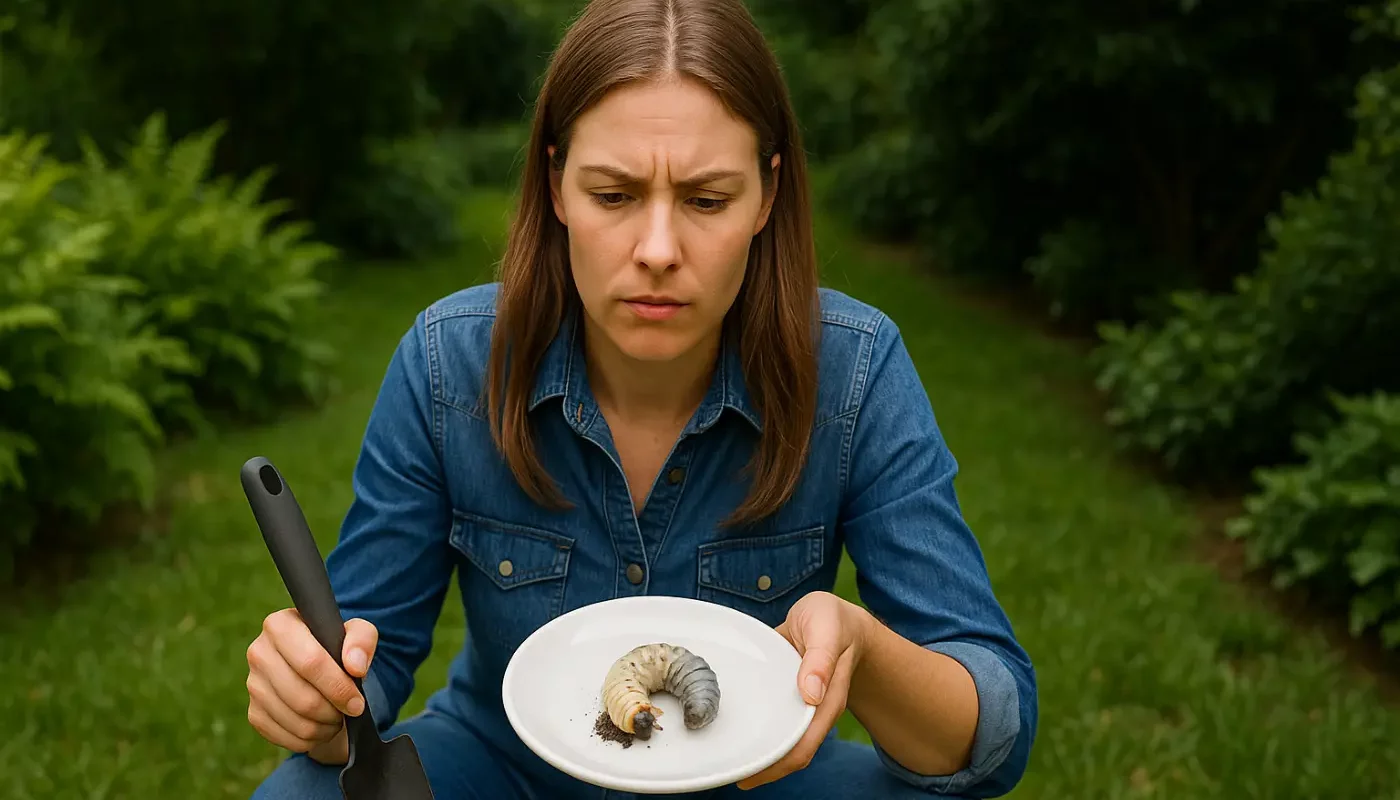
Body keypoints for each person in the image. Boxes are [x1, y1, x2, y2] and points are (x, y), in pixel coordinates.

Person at [243, 0, 1036, 797]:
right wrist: (318, 697)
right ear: (557, 185)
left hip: (759, 780)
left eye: (707, 200)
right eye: (614, 196)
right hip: (503, 768)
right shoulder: (449, 364)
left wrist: (864, 644)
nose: (657, 251)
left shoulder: (855, 372)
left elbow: (990, 740)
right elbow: (363, 671)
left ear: (767, 194)